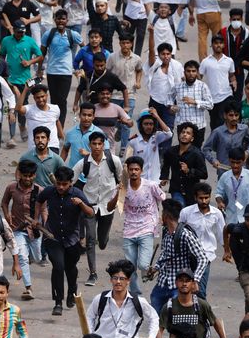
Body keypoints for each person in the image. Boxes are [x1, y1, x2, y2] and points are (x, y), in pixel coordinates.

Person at [34, 166, 93, 315]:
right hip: (52, 237)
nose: (60, 187)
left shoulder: (77, 194)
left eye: (64, 184)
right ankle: (58, 302)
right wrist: (36, 218)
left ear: (70, 183)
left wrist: (80, 204)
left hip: (72, 240)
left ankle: (72, 292)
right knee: (58, 267)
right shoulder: (49, 191)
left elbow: (91, 213)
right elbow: (39, 200)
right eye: (58, 183)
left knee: (70, 269)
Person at [71, 132, 122, 286]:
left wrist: (119, 197)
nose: (97, 147)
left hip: (108, 206)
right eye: (94, 144)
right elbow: (71, 180)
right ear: (90, 145)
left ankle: (103, 239)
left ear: (104, 144)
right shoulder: (83, 163)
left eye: (100, 143)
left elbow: (121, 179)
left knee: (103, 241)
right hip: (90, 206)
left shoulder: (114, 160)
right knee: (91, 240)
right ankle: (93, 273)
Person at [147, 199, 209, 314]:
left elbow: (203, 258)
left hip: (179, 285)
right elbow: (165, 254)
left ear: (166, 216)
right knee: (155, 318)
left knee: (177, 320)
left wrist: (195, 280)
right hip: (162, 283)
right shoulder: (166, 231)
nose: (161, 217)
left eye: (162, 214)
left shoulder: (185, 234)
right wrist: (155, 268)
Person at [156, 267, 231, 338]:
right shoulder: (169, 307)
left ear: (193, 284)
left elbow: (215, 323)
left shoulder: (201, 305)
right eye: (181, 280)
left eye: (187, 281)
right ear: (176, 283)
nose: (184, 284)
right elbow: (158, 329)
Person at [122, 156, 166, 297]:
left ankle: (148, 272)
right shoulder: (123, 187)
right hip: (129, 230)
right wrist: (118, 192)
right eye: (131, 169)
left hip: (147, 228)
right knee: (130, 267)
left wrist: (163, 217)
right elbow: (112, 206)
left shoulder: (151, 185)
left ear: (141, 170)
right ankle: (135, 293)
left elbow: (163, 198)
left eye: (137, 169)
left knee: (143, 265)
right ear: (127, 171)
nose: (134, 172)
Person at [2, 160, 44, 299]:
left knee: (37, 257)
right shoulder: (11, 188)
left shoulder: (39, 190)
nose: (27, 179)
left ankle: (30, 257)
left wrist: (43, 223)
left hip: (35, 231)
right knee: (22, 257)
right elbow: (4, 202)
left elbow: (44, 209)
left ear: (34, 175)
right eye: (24, 175)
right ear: (19, 174)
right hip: (18, 229)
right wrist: (7, 216)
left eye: (30, 176)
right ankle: (28, 288)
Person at [179, 182, 225, 298]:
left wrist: (227, 251)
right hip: (187, 255)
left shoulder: (217, 214)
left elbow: (222, 234)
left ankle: (201, 315)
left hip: (206, 256)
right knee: (185, 288)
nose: (204, 201)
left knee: (200, 290)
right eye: (201, 198)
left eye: (206, 198)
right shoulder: (186, 212)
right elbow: (178, 232)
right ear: (195, 197)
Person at [161, 122, 208, 207]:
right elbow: (166, 164)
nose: (184, 135)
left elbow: (204, 174)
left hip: (192, 191)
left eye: (188, 133)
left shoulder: (197, 154)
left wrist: (189, 171)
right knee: (179, 206)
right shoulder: (171, 151)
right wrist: (164, 177)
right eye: (183, 132)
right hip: (176, 189)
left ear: (192, 138)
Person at [107, 34, 142, 149]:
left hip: (130, 94)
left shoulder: (137, 58)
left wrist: (138, 82)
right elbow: (107, 72)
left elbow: (139, 70)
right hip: (115, 95)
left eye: (128, 43)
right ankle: (119, 129)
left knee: (127, 122)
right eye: (123, 43)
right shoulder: (112, 57)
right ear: (120, 43)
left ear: (131, 44)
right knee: (114, 121)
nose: (125, 45)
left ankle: (123, 147)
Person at [202, 102, 249, 178]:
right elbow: (206, 149)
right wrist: (213, 160)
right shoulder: (218, 132)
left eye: (236, 115)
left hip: (241, 170)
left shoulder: (244, 129)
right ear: (225, 115)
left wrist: (247, 152)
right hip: (223, 170)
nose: (234, 118)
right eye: (231, 115)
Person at [214, 147, 249, 224]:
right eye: (232, 162)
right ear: (229, 160)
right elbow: (218, 193)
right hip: (231, 217)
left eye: (238, 162)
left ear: (243, 161)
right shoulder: (225, 177)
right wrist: (220, 202)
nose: (235, 165)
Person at [145, 32, 181, 139]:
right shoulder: (154, 64)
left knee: (168, 131)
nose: (166, 56)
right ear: (159, 55)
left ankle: (165, 154)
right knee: (153, 130)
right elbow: (151, 49)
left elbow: (182, 82)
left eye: (168, 54)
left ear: (171, 54)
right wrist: (151, 34)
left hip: (170, 104)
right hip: (155, 102)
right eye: (163, 54)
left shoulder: (177, 66)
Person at [169, 61, 213, 150]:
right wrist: (171, 107)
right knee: (183, 151)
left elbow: (210, 105)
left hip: (198, 126)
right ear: (184, 72)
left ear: (197, 72)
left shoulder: (202, 86)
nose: (191, 74)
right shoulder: (178, 87)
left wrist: (195, 102)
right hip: (182, 127)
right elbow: (168, 99)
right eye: (188, 71)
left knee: (196, 152)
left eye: (193, 71)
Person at [200, 36, 237, 130]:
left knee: (226, 121)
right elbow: (199, 77)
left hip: (226, 95)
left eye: (220, 43)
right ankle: (216, 142)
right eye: (216, 43)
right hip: (212, 98)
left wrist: (234, 82)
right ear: (212, 45)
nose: (218, 45)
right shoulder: (205, 61)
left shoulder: (229, 61)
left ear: (223, 45)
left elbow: (231, 75)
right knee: (215, 124)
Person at [15, 84, 64, 153]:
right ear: (34, 98)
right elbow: (18, 108)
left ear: (47, 96)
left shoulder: (55, 108)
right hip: (35, 147)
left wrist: (62, 136)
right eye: (37, 97)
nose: (41, 99)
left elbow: (57, 121)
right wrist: (25, 90)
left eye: (42, 96)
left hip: (52, 146)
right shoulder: (29, 109)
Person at [129, 109, 172, 178]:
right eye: (146, 124)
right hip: (141, 180)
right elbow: (128, 163)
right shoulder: (133, 141)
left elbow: (169, 134)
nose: (149, 127)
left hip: (155, 179)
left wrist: (157, 117)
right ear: (140, 125)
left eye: (151, 124)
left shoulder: (156, 137)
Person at [220, 9, 249, 100]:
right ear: (230, 20)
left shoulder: (247, 33)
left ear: (242, 19)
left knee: (237, 97)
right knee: (224, 97)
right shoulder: (223, 32)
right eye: (234, 19)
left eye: (238, 19)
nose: (236, 21)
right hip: (224, 72)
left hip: (240, 71)